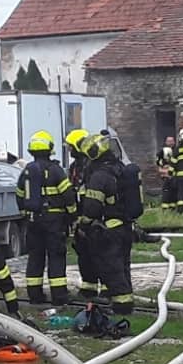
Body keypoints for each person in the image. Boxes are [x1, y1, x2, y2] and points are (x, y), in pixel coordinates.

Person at [76, 131, 134, 315]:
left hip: (109, 230)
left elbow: (92, 208)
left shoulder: (99, 176)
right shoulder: (120, 168)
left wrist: (83, 224)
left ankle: (122, 307)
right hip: (125, 226)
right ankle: (125, 301)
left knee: (112, 268)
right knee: (123, 267)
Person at [17, 129, 75, 306]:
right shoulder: (56, 170)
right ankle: (59, 297)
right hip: (54, 221)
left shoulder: (27, 171)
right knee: (56, 256)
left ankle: (35, 296)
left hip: (33, 221)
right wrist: (72, 214)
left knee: (35, 257)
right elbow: (68, 195)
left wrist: (25, 215)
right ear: (50, 149)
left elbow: (19, 195)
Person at [64, 129, 101, 300]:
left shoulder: (91, 165)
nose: (70, 150)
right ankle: (88, 288)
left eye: (71, 147)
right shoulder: (75, 167)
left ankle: (107, 290)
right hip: (80, 217)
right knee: (84, 254)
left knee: (99, 254)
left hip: (94, 217)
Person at [155, 135, 176, 206]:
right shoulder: (162, 151)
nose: (170, 143)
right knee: (166, 192)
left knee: (174, 192)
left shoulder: (176, 151)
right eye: (169, 141)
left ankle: (173, 207)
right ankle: (165, 207)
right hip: (165, 175)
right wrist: (163, 170)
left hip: (175, 176)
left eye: (172, 141)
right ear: (166, 142)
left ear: (174, 142)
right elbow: (158, 163)